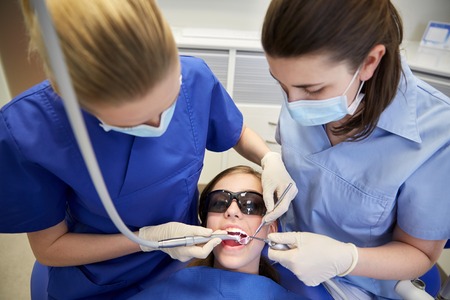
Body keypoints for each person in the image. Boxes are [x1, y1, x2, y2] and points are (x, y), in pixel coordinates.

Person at [0, 1, 297, 299]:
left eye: (169, 102)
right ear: (79, 102)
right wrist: (145, 241)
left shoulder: (193, 77)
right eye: (137, 121)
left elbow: (236, 131)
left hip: (182, 261)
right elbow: (50, 248)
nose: (159, 124)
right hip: (100, 277)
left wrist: (267, 157)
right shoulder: (31, 132)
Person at [260, 0, 450, 299]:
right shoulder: (303, 81)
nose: (293, 104)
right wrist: (273, 161)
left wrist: (347, 259)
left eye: (312, 90)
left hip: (361, 284)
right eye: (282, 86)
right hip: (282, 258)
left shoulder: (437, 136)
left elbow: (420, 254)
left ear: (369, 62)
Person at [129, 166, 309, 300]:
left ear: (271, 228)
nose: (231, 211)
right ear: (205, 223)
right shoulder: (168, 291)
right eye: (218, 203)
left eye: (250, 204)